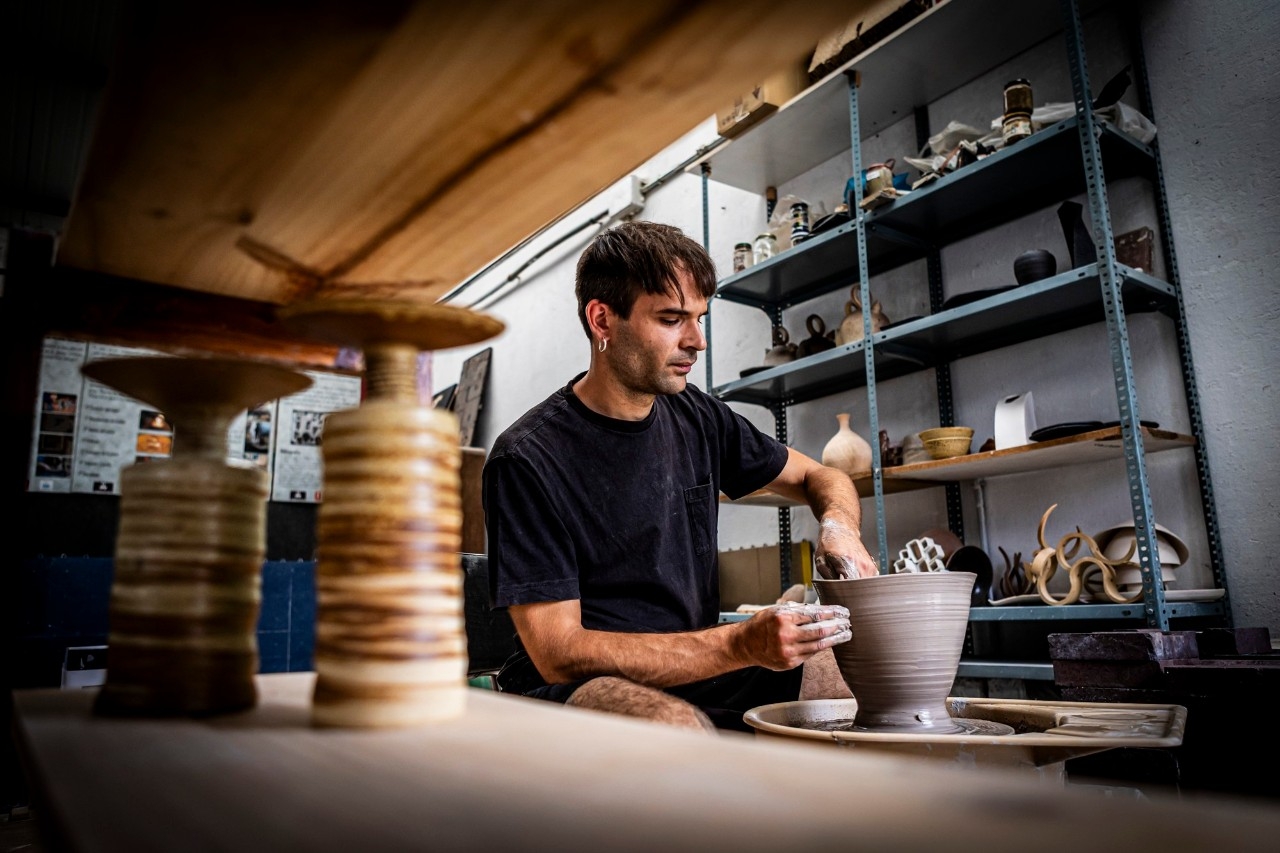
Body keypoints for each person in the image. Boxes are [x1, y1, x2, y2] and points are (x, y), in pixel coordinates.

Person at [482, 221, 878, 733]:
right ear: (602, 320)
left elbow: (821, 476)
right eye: (672, 319)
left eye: (699, 318)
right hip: (576, 686)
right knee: (676, 730)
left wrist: (839, 527)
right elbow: (561, 653)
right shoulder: (527, 458)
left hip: (696, 666)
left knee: (845, 672)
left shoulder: (699, 417)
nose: (697, 341)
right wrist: (738, 643)